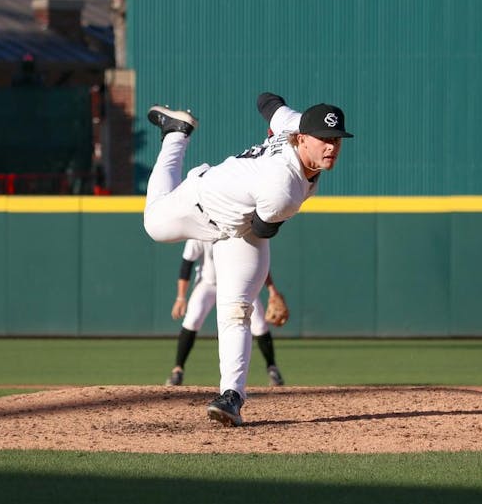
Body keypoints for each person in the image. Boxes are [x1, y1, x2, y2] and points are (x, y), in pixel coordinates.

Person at [142, 91, 351, 426]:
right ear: (302, 138)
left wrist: (278, 128)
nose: (332, 146)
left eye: (337, 139)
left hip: (241, 225)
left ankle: (232, 397)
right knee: (154, 224)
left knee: (237, 310)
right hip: (202, 204)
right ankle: (176, 135)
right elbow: (264, 228)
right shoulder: (285, 189)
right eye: (324, 139)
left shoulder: (294, 124)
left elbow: (268, 101)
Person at [166, 239, 287, 388]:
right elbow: (186, 265)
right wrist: (180, 297)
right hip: (209, 284)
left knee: (260, 325)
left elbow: (258, 261)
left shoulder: (240, 229)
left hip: (237, 285)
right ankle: (177, 370)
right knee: (192, 320)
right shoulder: (201, 230)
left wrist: (271, 289)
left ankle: (272, 368)